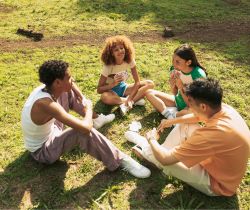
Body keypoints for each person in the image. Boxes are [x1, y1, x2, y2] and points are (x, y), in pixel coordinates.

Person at [21, 60, 151, 178]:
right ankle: (120, 159)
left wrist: (81, 96)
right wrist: (88, 108)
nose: (72, 79)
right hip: (44, 150)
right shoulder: (45, 103)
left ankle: (97, 119)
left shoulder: (49, 88)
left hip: (53, 129)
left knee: (68, 92)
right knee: (82, 132)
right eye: (69, 77)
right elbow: (85, 128)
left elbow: (71, 86)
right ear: (57, 82)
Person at [125, 78, 250, 196]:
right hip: (222, 168)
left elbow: (166, 159)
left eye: (190, 104)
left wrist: (151, 138)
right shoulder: (223, 109)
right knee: (184, 124)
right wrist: (171, 121)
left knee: (165, 160)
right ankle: (152, 153)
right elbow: (198, 116)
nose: (189, 107)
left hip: (218, 184)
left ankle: (146, 149)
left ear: (203, 106)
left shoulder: (211, 134)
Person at [145, 44, 206, 119]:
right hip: (177, 102)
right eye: (173, 60)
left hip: (191, 107)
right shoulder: (174, 70)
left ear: (188, 62)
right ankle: (170, 116)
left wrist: (181, 87)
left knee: (192, 112)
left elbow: (193, 104)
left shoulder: (198, 75)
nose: (174, 64)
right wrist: (173, 85)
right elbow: (175, 93)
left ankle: (172, 115)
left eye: (177, 61)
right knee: (149, 93)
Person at [97, 35, 154, 116]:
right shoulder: (108, 66)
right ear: (111, 53)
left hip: (124, 88)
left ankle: (129, 101)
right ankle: (134, 100)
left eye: (121, 48)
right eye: (116, 50)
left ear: (126, 48)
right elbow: (99, 89)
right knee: (104, 97)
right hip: (111, 91)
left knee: (149, 83)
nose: (120, 51)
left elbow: (137, 82)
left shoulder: (129, 60)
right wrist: (113, 84)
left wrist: (130, 98)